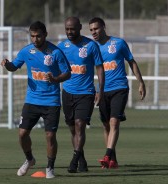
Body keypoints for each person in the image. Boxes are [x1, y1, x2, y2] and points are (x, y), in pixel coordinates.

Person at [1, 21, 71, 179]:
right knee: (22, 134)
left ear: (45, 35)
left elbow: (68, 73)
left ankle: (50, 168)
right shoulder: (26, 51)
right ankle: (29, 159)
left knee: (50, 136)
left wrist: (55, 79)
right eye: (32, 36)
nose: (35, 39)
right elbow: (14, 66)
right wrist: (7, 64)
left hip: (51, 101)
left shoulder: (56, 52)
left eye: (38, 36)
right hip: (32, 100)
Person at [89, 17, 146, 169]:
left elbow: (131, 61)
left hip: (119, 88)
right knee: (106, 125)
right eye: (91, 30)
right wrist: (94, 90)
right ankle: (112, 161)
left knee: (114, 122)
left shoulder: (118, 43)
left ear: (103, 27)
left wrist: (141, 82)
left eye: (96, 28)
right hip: (102, 91)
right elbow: (89, 71)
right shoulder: (92, 48)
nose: (93, 32)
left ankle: (107, 155)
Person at [57, 17, 105, 173]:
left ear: (80, 28)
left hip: (86, 93)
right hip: (67, 93)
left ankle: (74, 161)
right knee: (72, 129)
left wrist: (100, 90)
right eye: (67, 29)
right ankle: (82, 159)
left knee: (80, 126)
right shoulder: (61, 46)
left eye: (72, 29)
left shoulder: (91, 45)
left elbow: (99, 68)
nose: (69, 32)